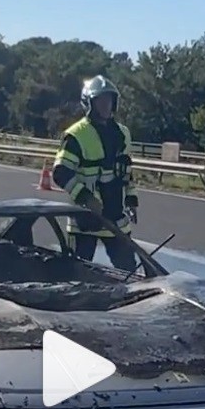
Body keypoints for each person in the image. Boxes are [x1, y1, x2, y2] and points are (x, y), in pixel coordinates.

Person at [52, 75, 139, 270]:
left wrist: (132, 200)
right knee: (76, 274)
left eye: (109, 100)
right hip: (86, 220)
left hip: (117, 218)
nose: (106, 106)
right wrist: (86, 198)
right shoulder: (76, 135)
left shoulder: (122, 133)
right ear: (89, 103)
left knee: (130, 274)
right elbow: (61, 173)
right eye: (100, 101)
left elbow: (126, 171)